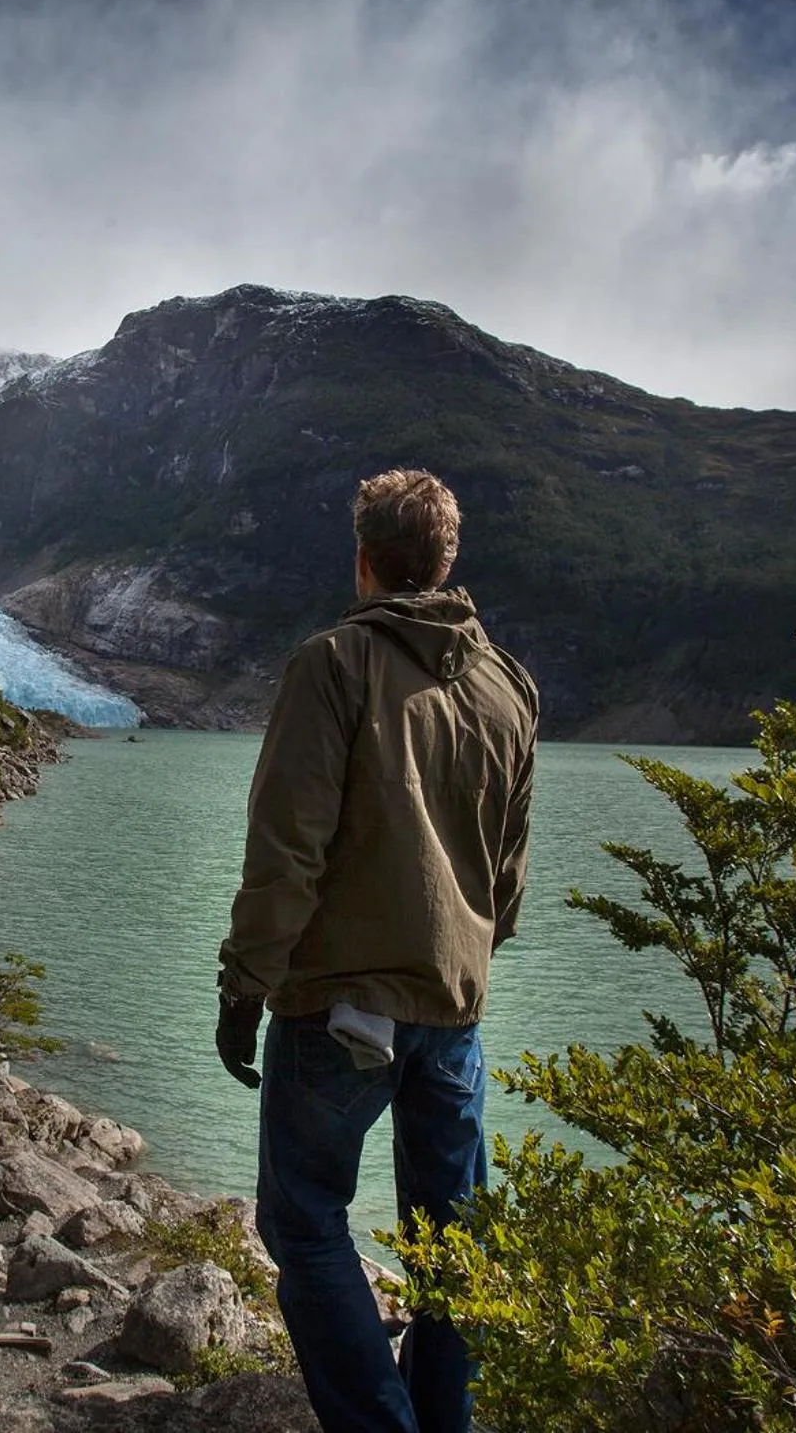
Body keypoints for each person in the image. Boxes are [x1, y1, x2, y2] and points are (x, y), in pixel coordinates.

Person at [216, 468, 538, 1433]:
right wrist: (470, 961)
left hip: (336, 1008)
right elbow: (507, 869)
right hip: (453, 1010)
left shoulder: (334, 664)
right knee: (453, 1245)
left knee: (304, 1223)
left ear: (363, 560)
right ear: (447, 560)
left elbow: (288, 849)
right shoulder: (508, 687)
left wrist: (245, 986)